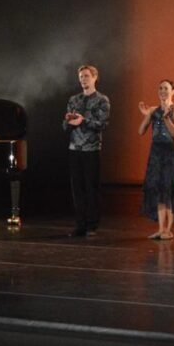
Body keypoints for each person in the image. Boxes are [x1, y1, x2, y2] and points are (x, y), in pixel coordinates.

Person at [63, 64, 111, 237]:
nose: (83, 79)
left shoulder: (102, 99)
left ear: (95, 77)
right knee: (77, 189)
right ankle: (80, 224)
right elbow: (65, 125)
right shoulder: (74, 99)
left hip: (91, 149)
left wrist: (83, 121)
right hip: (75, 148)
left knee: (91, 188)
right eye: (81, 76)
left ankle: (92, 224)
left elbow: (103, 124)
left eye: (86, 76)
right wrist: (68, 120)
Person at [138, 80, 174, 240]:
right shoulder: (153, 110)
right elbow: (141, 131)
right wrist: (147, 116)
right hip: (155, 153)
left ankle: (168, 230)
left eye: (166, 88)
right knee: (159, 191)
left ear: (173, 91)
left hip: (169, 154)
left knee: (170, 192)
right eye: (160, 88)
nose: (162, 91)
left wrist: (166, 117)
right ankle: (161, 229)